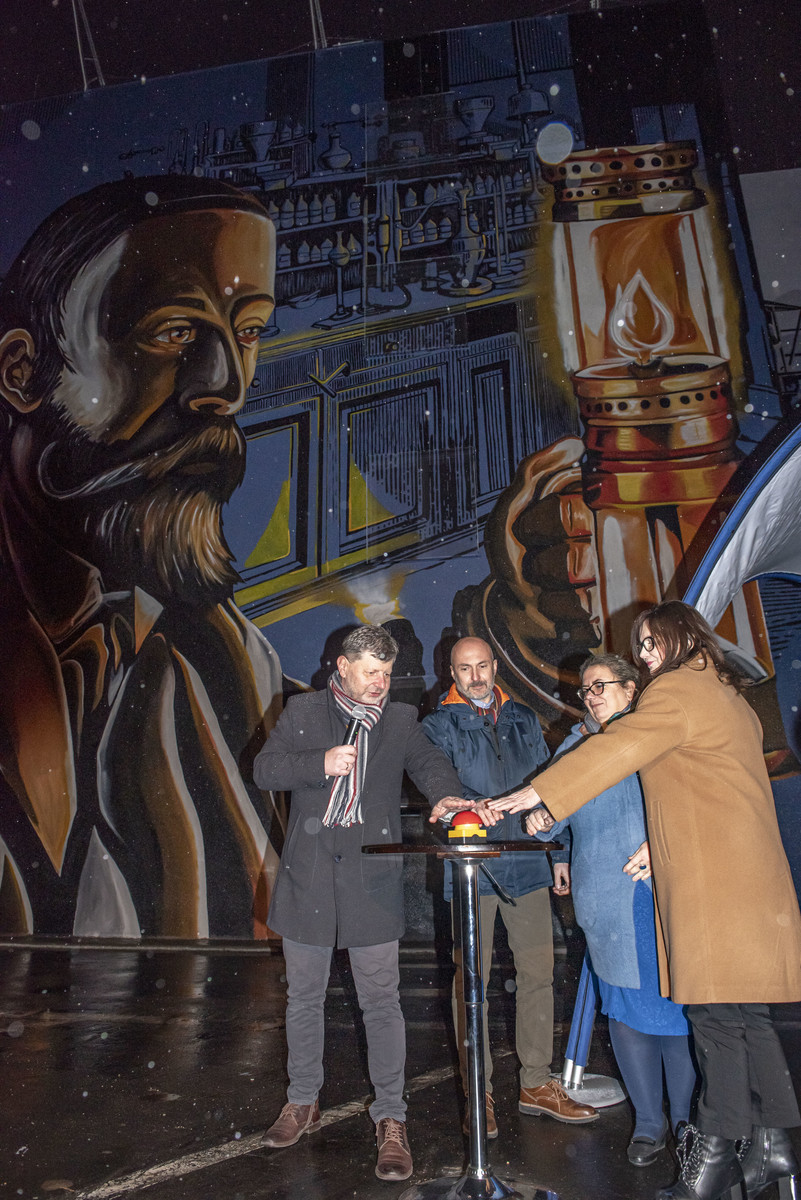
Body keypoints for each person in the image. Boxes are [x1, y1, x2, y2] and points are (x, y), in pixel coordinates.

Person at [0, 176, 283, 939]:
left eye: (248, 331)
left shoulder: (226, 659)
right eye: (174, 332)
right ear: (22, 371)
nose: (225, 387)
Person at [487, 601, 801, 1200]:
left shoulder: (676, 691)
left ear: (683, 638)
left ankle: (712, 1163)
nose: (647, 654)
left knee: (713, 1019)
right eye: (642, 646)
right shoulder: (729, 696)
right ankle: (773, 1145)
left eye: (653, 642)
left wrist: (534, 793)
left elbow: (616, 750)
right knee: (746, 1017)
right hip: (747, 879)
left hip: (712, 886)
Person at [253, 624, 463, 1183]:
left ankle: (391, 1117)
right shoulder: (303, 712)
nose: (380, 684)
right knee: (303, 999)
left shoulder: (399, 719)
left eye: (387, 674)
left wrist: (447, 796)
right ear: (342, 667)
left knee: (381, 1002)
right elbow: (265, 769)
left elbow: (429, 763)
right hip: (309, 882)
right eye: (371, 672)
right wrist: (318, 762)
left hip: (372, 884)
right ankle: (303, 1100)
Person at [423, 636, 599, 1136]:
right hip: (473, 869)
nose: (476, 676)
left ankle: (536, 1083)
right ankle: (478, 1093)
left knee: (539, 975)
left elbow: (553, 787)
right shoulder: (436, 726)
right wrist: (465, 808)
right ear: (451, 673)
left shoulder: (523, 717)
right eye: (465, 668)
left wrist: (559, 853)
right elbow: (442, 793)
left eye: (482, 666)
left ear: (495, 666)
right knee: (471, 984)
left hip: (528, 864)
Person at [544, 653, 697, 1166]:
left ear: (632, 690)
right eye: (585, 690)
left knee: (675, 1011)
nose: (591, 696)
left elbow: (692, 803)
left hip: (658, 896)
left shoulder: (657, 735)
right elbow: (554, 819)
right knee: (626, 1015)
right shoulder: (575, 746)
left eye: (601, 686)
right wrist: (554, 844)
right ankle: (649, 1124)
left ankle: (687, 1125)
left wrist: (663, 842)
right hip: (604, 899)